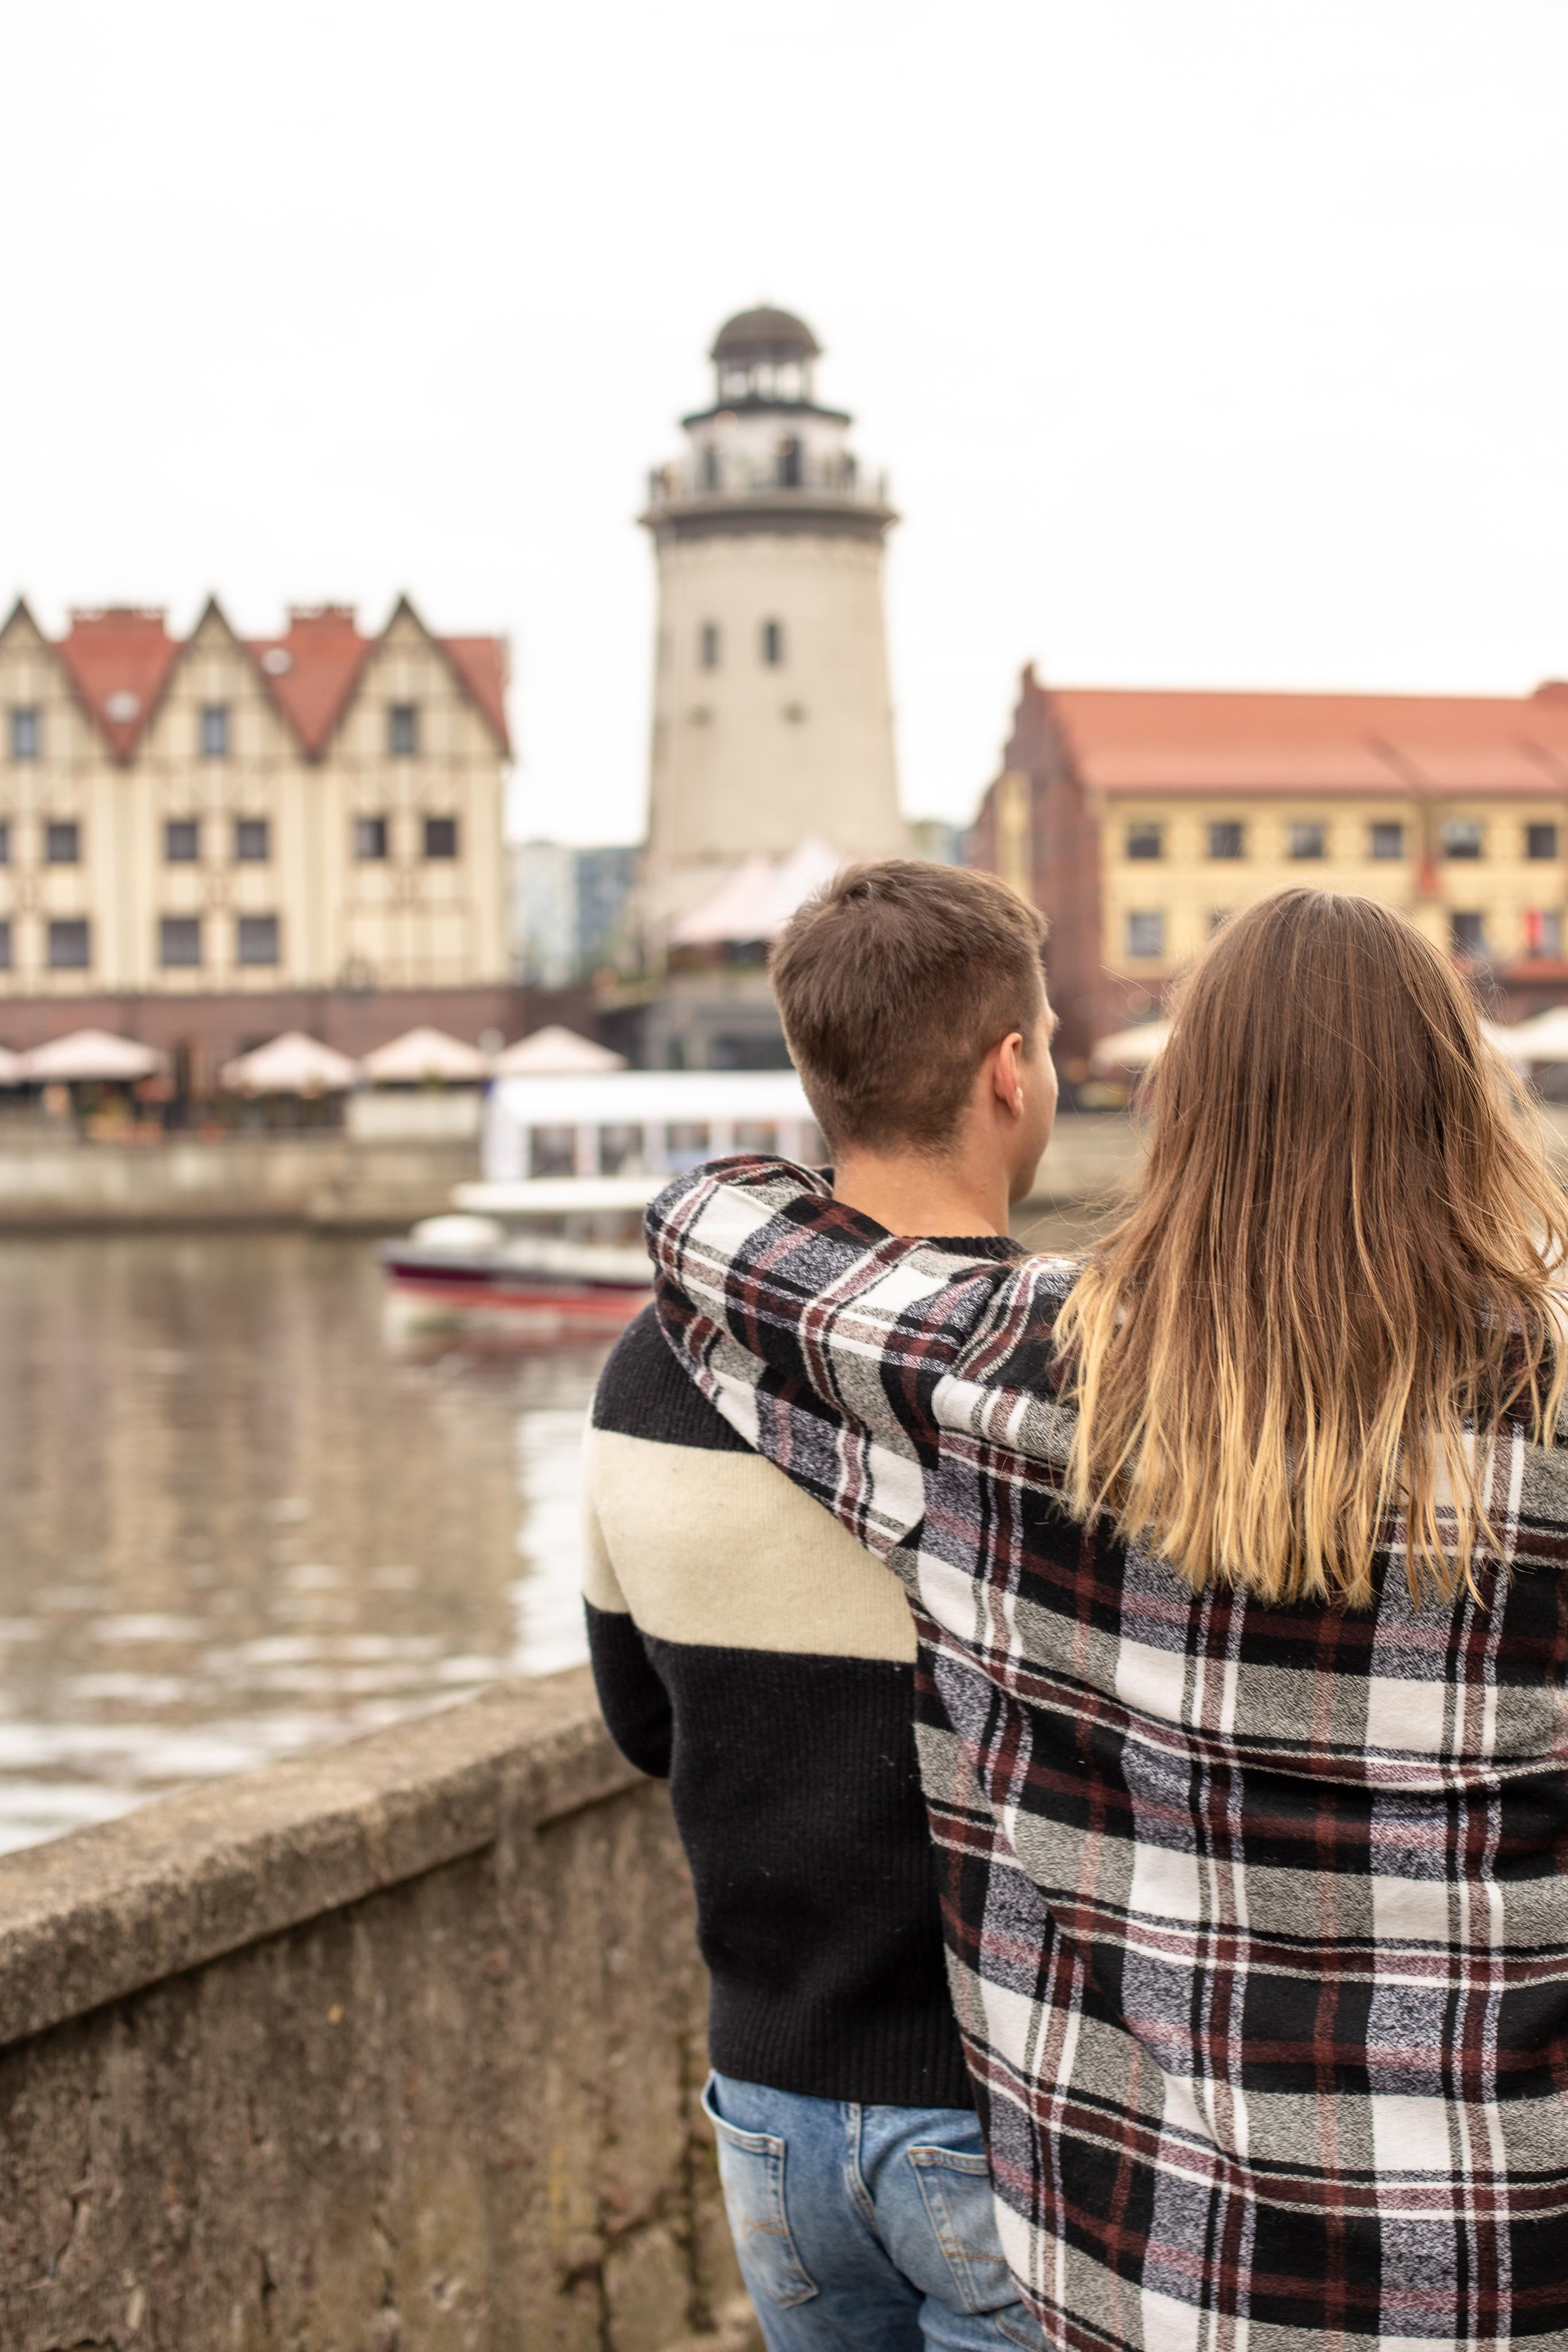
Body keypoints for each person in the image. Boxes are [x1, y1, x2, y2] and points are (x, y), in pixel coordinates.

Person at [646, 872, 1568, 2352]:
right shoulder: (1547, 1418)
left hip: (1157, 2273)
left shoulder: (1013, 1387)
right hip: (1492, 2269)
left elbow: (710, 1225)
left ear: (1179, 1112)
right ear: (1464, 1103)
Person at [581, 859, 1052, 2352]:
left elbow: (638, 1720)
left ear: (812, 1073)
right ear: (1009, 1071)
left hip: (772, 2100)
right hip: (1003, 2103)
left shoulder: (646, 1371)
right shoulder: (1053, 1381)